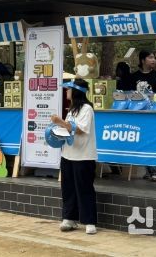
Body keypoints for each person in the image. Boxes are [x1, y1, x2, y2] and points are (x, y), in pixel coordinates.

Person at [50, 78, 98, 235]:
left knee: (85, 189)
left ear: (76, 91)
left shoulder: (87, 109)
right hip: (68, 155)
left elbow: (80, 130)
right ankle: (69, 218)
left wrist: (60, 122)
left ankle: (89, 221)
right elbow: (69, 130)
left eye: (69, 88)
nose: (67, 91)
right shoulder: (72, 110)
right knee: (68, 189)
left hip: (84, 156)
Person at [130, 50, 156, 182]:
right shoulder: (134, 77)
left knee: (152, 142)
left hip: (153, 115)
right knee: (143, 142)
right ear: (142, 60)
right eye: (150, 57)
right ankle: (149, 171)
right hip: (138, 115)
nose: (153, 60)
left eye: (154, 57)